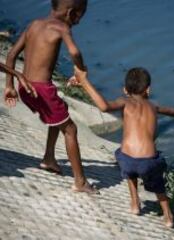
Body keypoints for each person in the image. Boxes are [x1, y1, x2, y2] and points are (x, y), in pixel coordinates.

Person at [73, 66, 174, 227]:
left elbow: (104, 106)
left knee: (125, 160)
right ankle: (168, 216)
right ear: (148, 90)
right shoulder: (154, 106)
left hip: (127, 160)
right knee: (159, 186)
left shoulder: (124, 102)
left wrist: (84, 82)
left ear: (125, 90)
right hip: (149, 162)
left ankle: (135, 204)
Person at [3, 0, 97, 193]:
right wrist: (81, 69)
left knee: (60, 113)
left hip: (24, 87)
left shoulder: (34, 24)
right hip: (42, 90)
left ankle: (49, 158)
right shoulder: (61, 27)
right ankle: (80, 181)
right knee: (70, 129)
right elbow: (75, 51)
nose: (79, 20)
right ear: (71, 13)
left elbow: (11, 54)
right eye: (80, 15)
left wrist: (10, 86)